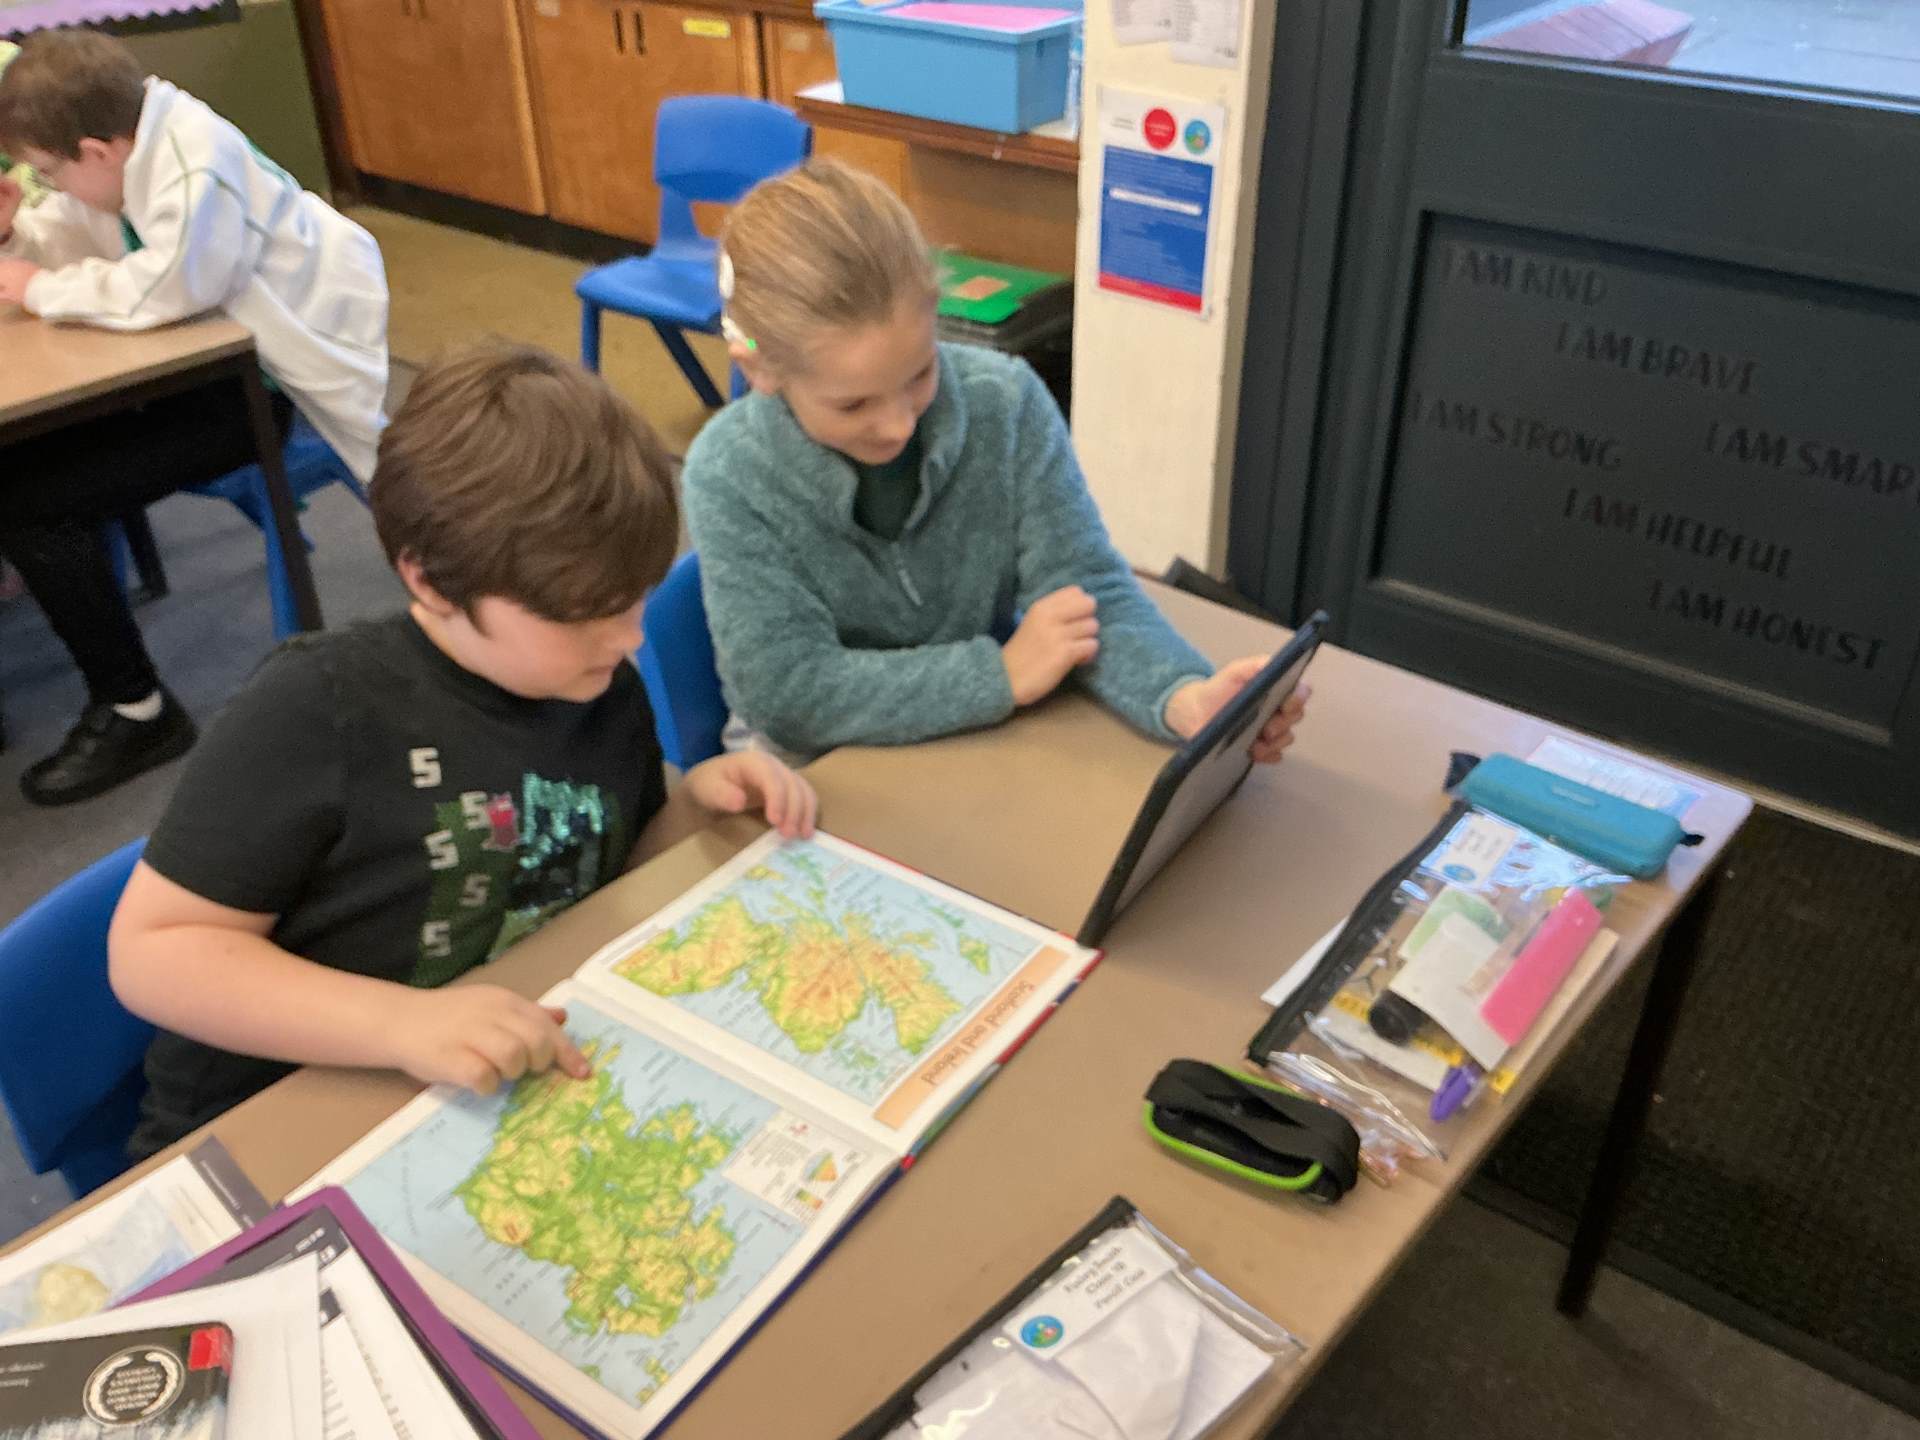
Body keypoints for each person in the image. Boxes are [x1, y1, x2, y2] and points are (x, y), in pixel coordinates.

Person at [108, 346, 818, 1160]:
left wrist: (694, 805)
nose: (629, 638)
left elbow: (604, 855)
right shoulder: (319, 708)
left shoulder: (597, 685)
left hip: (474, 1094)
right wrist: (401, 1023)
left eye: (636, 601)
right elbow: (153, 955)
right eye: (582, 613)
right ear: (432, 581)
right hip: (274, 1125)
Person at [682, 158, 1308, 762]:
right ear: (759, 369)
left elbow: (1083, 588)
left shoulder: (1004, 403)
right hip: (812, 768)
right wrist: (997, 675)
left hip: (976, 742)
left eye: (920, 374)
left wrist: (1183, 696)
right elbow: (788, 694)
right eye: (853, 405)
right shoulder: (729, 472)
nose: (898, 425)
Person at [0, 28, 388, 804]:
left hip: (256, 391)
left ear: (95, 151)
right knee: (21, 472)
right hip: (201, 369)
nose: (47, 186)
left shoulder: (194, 161)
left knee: (29, 502)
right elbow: (85, 227)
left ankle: (136, 711)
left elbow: (167, 286)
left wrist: (35, 287)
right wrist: (15, 231)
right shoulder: (132, 140)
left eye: (48, 171)